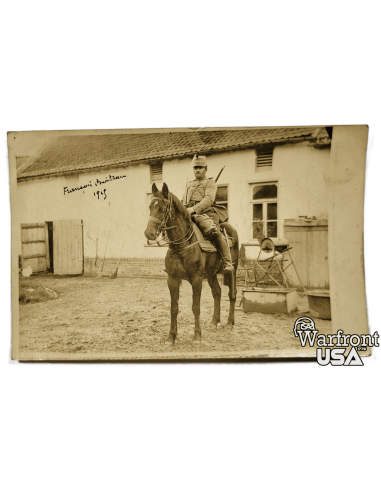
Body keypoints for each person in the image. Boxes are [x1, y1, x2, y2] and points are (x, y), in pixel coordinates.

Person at [182, 154, 234, 273]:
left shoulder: (210, 182)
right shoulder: (189, 184)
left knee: (213, 231)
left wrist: (194, 209)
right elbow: (183, 200)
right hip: (190, 214)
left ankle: (227, 262)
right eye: (195, 167)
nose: (198, 170)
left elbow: (209, 199)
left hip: (206, 213)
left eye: (200, 167)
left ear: (206, 169)